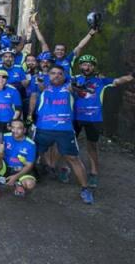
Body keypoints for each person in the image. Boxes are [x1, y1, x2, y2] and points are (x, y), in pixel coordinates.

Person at [30, 64, 94, 204]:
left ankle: (85, 189)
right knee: (32, 155)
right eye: (53, 73)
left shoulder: (69, 88)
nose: (56, 76)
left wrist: (78, 86)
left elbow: (88, 92)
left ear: (64, 76)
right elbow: (37, 88)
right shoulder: (43, 87)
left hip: (64, 130)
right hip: (43, 129)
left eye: (60, 73)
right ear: (48, 75)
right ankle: (25, 178)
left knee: (73, 158)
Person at [71, 55, 134, 187]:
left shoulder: (101, 80)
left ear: (94, 67)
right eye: (84, 64)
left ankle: (94, 173)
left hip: (93, 118)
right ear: (80, 66)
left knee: (92, 146)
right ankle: (66, 169)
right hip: (75, 117)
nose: (87, 67)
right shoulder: (75, 79)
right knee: (69, 144)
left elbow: (118, 81)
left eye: (90, 65)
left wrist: (132, 76)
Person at [0, 119, 36, 200]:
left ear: (24, 130)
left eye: (19, 128)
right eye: (13, 128)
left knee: (30, 184)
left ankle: (18, 183)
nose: (15, 131)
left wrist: (15, 177)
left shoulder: (30, 144)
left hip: (20, 169)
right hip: (5, 167)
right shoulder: (4, 137)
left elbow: (29, 165)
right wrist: (1, 151)